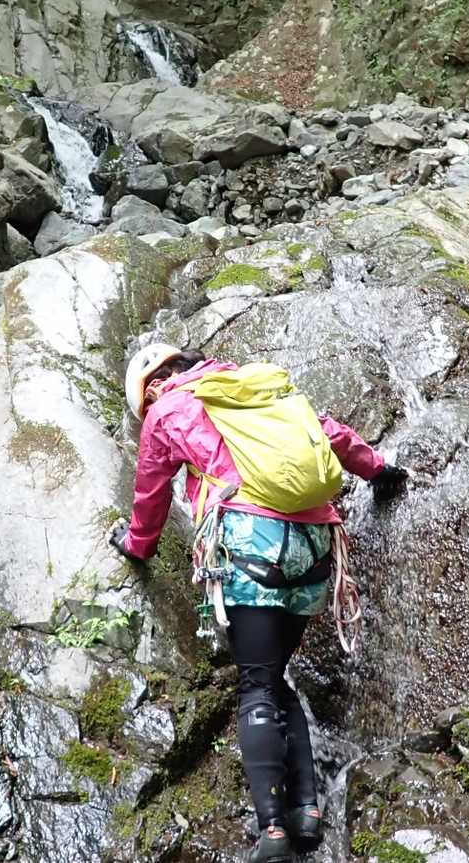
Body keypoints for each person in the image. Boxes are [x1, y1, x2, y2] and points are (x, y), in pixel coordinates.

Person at [108, 343, 409, 862]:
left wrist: (135, 546)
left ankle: (273, 831)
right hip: (315, 546)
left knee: (256, 686)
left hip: (251, 542)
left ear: (153, 384)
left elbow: (151, 492)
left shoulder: (168, 406)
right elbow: (327, 432)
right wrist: (379, 470)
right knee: (272, 676)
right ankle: (307, 812)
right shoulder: (253, 387)